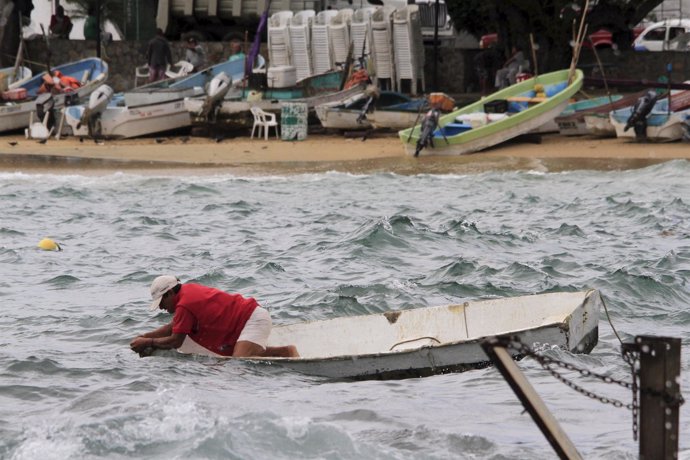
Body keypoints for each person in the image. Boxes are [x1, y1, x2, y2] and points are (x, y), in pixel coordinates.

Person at [130, 275, 299, 358]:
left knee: (239, 366)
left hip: (252, 319)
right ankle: (285, 352)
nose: (160, 307)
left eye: (161, 302)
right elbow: (171, 327)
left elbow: (175, 340)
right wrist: (144, 336)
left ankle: (288, 351)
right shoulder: (186, 293)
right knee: (240, 358)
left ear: (169, 294)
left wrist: (148, 342)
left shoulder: (184, 304)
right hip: (248, 319)